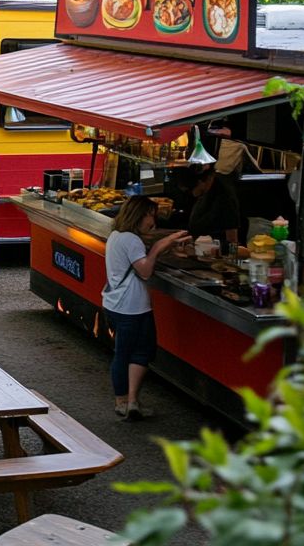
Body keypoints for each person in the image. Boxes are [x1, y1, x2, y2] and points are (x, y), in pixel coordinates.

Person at [102, 196, 191, 420]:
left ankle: (130, 402)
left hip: (115, 304)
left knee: (128, 352)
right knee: (136, 353)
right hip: (132, 307)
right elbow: (145, 271)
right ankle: (124, 401)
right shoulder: (132, 240)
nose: (153, 220)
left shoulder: (116, 235)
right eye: (151, 215)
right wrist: (161, 246)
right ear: (139, 215)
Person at [187, 166, 241, 250]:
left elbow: (232, 242)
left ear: (207, 179)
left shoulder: (226, 197)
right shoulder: (205, 189)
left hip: (213, 253)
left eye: (193, 188)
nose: (193, 193)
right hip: (196, 247)